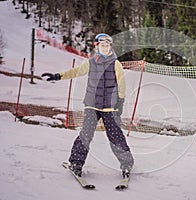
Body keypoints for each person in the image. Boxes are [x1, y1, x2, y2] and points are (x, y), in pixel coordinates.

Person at [42, 33, 134, 178]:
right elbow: (75, 72)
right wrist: (58, 75)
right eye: (102, 45)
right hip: (91, 105)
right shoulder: (90, 63)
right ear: (96, 47)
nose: (105, 48)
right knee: (86, 134)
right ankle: (76, 163)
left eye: (107, 45)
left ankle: (127, 164)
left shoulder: (115, 63)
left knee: (115, 136)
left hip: (109, 107)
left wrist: (120, 101)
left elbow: (122, 82)